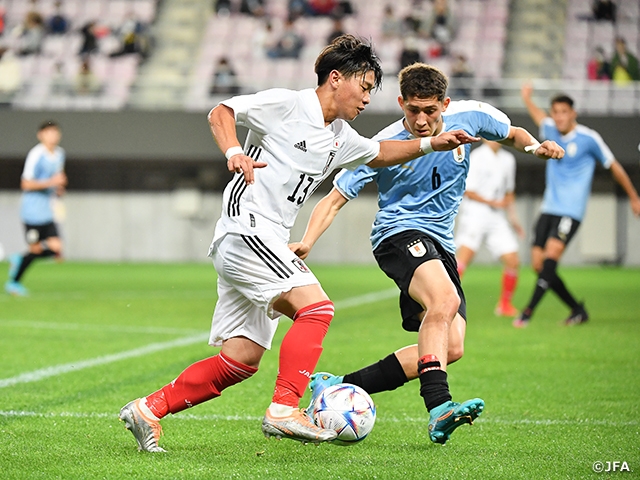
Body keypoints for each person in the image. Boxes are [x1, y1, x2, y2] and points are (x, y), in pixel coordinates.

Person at [118, 35, 479, 453]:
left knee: (241, 360)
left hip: (263, 239)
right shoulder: (289, 104)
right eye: (364, 87)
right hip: (247, 229)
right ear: (336, 79)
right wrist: (234, 151)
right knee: (317, 308)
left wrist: (433, 142)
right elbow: (222, 111)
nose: (366, 99)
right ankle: (285, 409)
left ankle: (148, 409)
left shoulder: (339, 135)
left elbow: (380, 153)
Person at [288, 62, 564, 445]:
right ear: (401, 102)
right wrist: (307, 241)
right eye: (412, 110)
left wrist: (536, 146)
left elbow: (513, 133)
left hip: (441, 244)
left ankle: (335, 386)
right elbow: (335, 198)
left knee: (452, 346)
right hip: (397, 235)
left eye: (430, 111)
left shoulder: (472, 116)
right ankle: (439, 406)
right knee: (444, 299)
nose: (420, 120)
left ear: (445, 105)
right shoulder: (384, 145)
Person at [515, 85, 640, 327]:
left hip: (570, 211)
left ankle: (527, 312)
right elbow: (539, 117)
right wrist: (526, 98)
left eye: (563, 111)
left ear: (573, 113)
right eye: (555, 112)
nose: (559, 117)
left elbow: (613, 165)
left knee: (551, 259)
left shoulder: (588, 138)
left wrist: (634, 197)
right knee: (539, 265)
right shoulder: (549, 128)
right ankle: (577, 309)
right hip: (548, 207)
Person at [455, 140, 524, 317]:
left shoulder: (508, 159)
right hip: (475, 213)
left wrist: (513, 217)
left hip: (497, 216)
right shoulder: (477, 157)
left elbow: (509, 192)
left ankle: (504, 304)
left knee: (513, 260)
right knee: (463, 259)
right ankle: (447, 301)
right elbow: (468, 191)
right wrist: (493, 202)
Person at [5, 121, 67, 297]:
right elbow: (25, 183)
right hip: (31, 211)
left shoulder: (60, 154)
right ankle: (13, 283)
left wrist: (59, 188)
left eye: (55, 133)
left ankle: (20, 259)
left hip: (47, 211)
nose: (53, 136)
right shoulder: (36, 154)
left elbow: (58, 178)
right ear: (41, 135)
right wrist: (51, 183)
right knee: (36, 251)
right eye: (49, 133)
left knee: (57, 250)